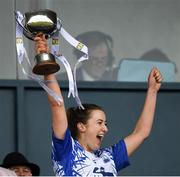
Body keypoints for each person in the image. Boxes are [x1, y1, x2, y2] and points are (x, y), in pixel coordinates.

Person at [35, 34, 163, 176]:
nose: (105, 129)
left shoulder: (110, 157)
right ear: (81, 126)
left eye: (105, 123)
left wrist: (152, 90)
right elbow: (57, 104)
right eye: (100, 122)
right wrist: (46, 65)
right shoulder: (66, 150)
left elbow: (141, 133)